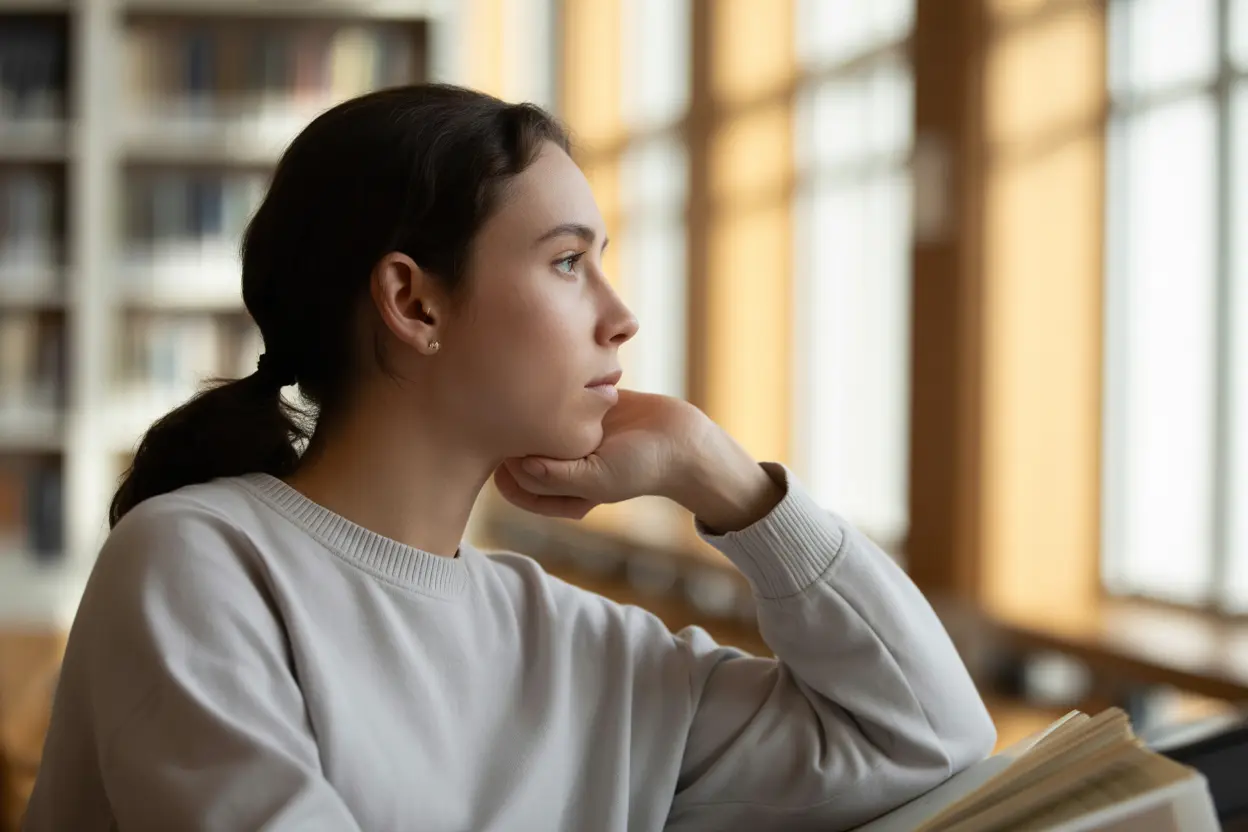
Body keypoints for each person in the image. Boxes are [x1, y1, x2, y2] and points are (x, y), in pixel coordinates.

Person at [23, 84, 995, 832]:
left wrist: (726, 479)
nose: (621, 316)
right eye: (568, 262)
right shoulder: (198, 561)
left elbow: (925, 736)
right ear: (414, 303)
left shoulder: (581, 647)